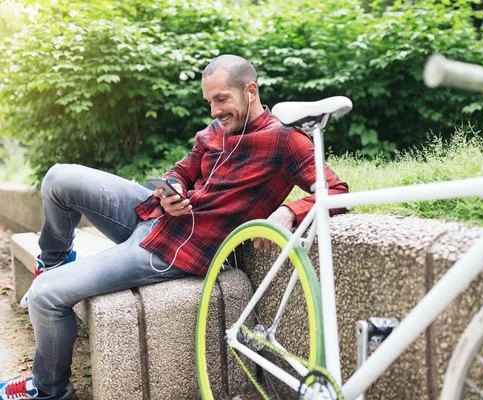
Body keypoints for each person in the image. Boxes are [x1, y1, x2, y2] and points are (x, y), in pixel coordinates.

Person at [0, 54, 348, 400]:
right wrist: (174, 190)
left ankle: (48, 390)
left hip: (173, 252)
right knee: (59, 177)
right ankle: (55, 260)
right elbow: (179, 172)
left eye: (221, 99)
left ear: (251, 91)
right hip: (153, 215)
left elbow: (336, 191)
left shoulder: (285, 141)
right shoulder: (214, 132)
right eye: (209, 102)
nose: (214, 111)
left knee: (46, 294)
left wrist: (289, 211)